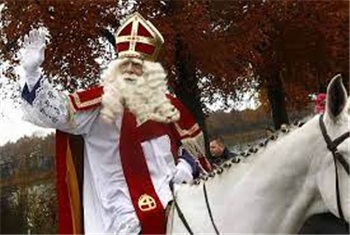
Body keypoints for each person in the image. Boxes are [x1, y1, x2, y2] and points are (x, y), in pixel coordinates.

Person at [19, 12, 211, 234]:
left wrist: (186, 165)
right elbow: (58, 113)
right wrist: (32, 74)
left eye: (137, 64)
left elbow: (191, 148)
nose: (129, 69)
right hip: (120, 213)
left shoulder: (169, 107)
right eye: (124, 63)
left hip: (171, 201)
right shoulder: (98, 104)